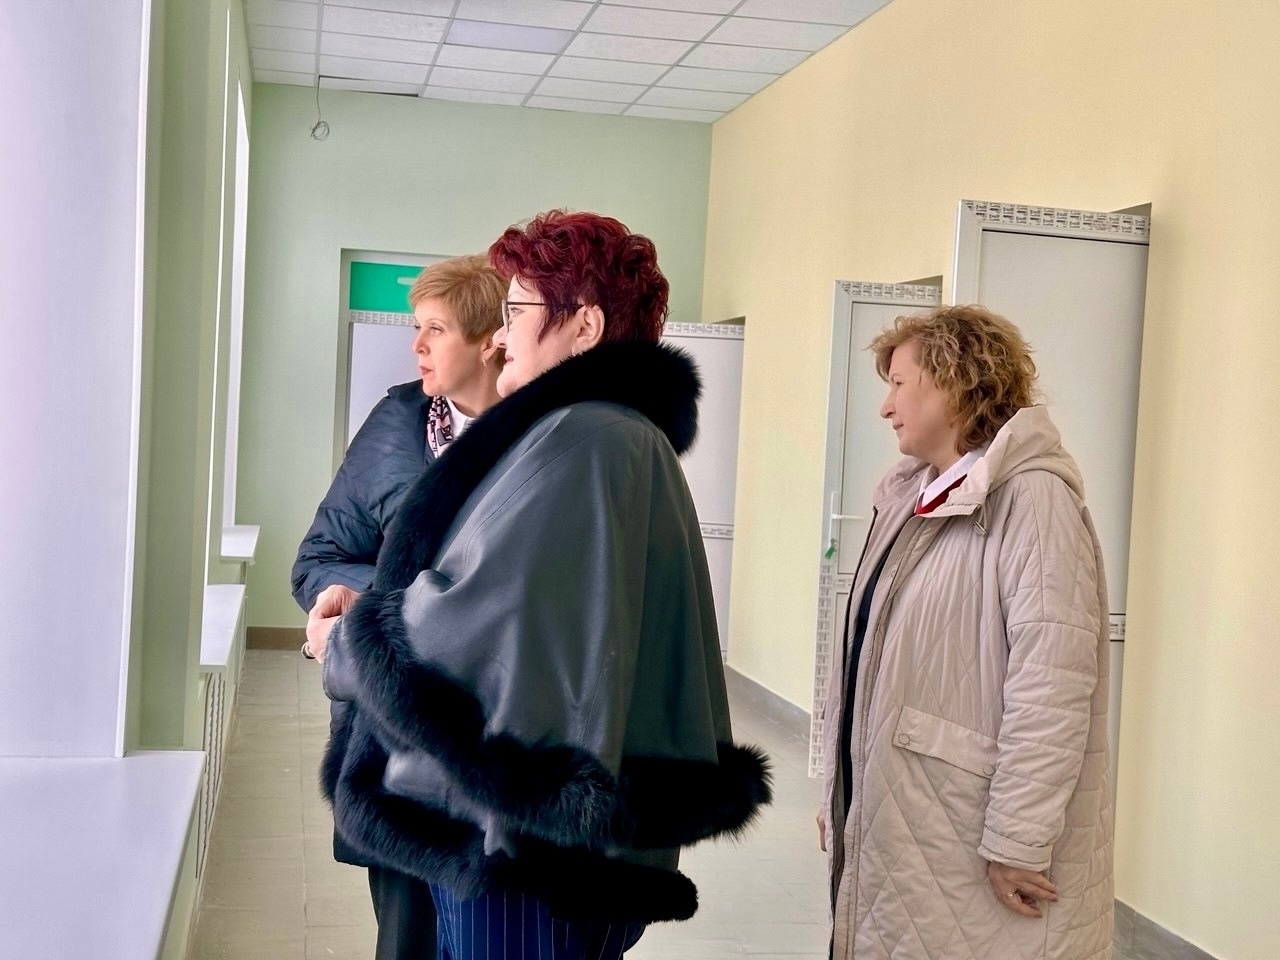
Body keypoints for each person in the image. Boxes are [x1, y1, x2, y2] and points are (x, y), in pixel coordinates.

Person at [306, 210, 772, 960]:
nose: (502, 334)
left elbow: (470, 632)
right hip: (560, 845)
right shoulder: (616, 435)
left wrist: (343, 643)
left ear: (583, 326)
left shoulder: (579, 441)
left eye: (517, 311)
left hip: (525, 853)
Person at [819, 305, 1114, 960]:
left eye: (899, 384)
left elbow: (1052, 686)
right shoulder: (911, 496)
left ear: (954, 383)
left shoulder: (1033, 500)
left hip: (967, 825)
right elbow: (867, 661)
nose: (886, 407)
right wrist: (842, 793)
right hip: (910, 813)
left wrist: (1018, 838)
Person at [292, 253, 506, 960]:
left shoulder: (544, 440)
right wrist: (369, 603)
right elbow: (318, 556)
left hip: (499, 742)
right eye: (418, 328)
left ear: (491, 340)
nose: (416, 345)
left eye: (435, 329)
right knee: (407, 940)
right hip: (393, 741)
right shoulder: (394, 424)